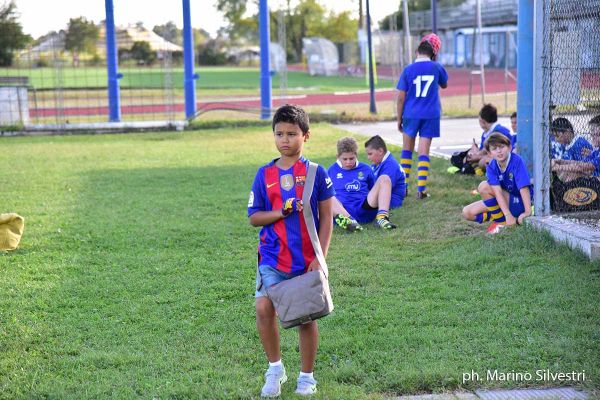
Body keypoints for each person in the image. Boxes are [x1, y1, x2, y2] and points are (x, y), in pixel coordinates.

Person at [247, 104, 334, 397]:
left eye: (292, 134)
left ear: (305, 136)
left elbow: (327, 220)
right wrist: (280, 212)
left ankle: (306, 377)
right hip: (272, 256)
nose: (285, 139)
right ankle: (275, 369)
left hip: (304, 260)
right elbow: (254, 217)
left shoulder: (316, 173)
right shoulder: (265, 174)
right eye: (279, 133)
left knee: (304, 317)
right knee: (263, 308)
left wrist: (318, 258)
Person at [396, 33, 448, 199]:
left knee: (407, 150)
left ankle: (403, 187)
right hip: (431, 114)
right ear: (433, 53)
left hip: (411, 113)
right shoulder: (437, 67)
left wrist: (399, 118)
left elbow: (400, 97)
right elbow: (444, 84)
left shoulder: (408, 69)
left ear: (417, 51)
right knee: (424, 151)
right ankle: (421, 189)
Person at [462, 133, 533, 234]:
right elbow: (497, 192)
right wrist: (507, 214)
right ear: (489, 153)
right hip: (504, 203)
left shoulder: (517, 161)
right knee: (467, 212)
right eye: (494, 149)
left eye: (502, 147)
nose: (499, 151)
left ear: (509, 147)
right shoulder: (491, 166)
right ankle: (506, 219)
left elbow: (524, 188)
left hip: (520, 201)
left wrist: (527, 211)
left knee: (483, 187)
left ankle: (503, 223)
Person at [329, 136, 404, 231]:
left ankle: (382, 218)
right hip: (342, 210)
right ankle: (349, 222)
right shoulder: (331, 171)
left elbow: (374, 190)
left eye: (351, 158)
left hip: (363, 209)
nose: (348, 162)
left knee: (384, 178)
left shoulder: (366, 169)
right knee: (325, 193)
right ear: (338, 156)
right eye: (345, 159)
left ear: (356, 155)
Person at [363, 135, 406, 229]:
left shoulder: (390, 165)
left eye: (370, 154)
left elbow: (385, 188)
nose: (368, 157)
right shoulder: (380, 163)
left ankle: (382, 217)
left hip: (391, 201)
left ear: (380, 151)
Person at [466, 104, 515, 172]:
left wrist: (478, 156)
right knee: (471, 157)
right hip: (495, 156)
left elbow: (490, 151)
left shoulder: (499, 131)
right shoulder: (486, 133)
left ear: (483, 121)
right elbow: (482, 150)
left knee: (482, 162)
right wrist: (475, 150)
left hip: (504, 158)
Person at [551, 115, 600, 182]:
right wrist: (560, 162)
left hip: (594, 181)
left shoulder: (579, 144)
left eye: (597, 134)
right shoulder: (597, 150)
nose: (592, 137)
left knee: (570, 175)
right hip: (590, 179)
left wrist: (558, 167)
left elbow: (584, 168)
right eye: (592, 134)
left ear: (567, 132)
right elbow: (580, 163)